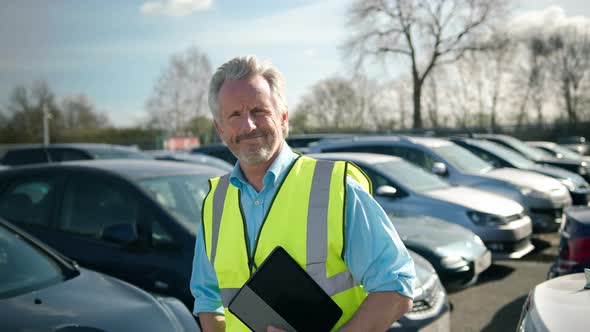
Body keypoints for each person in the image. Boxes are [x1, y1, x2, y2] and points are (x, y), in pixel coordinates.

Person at [190, 55, 415, 332]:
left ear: (283, 117)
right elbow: (207, 299)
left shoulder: (335, 187)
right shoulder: (215, 202)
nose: (248, 126)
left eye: (259, 111)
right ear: (220, 128)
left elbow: (396, 287)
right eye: (235, 115)